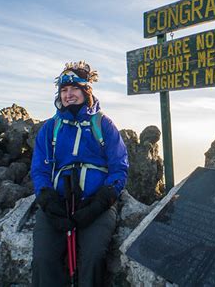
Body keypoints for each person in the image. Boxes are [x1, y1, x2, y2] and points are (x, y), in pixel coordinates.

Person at [31, 61, 129, 287]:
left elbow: (119, 167)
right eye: (64, 90)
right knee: (43, 259)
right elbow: (40, 168)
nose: (68, 94)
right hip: (58, 201)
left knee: (94, 256)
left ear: (86, 92)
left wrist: (103, 199)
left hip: (96, 202)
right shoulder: (50, 128)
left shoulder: (103, 124)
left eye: (74, 89)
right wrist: (46, 197)